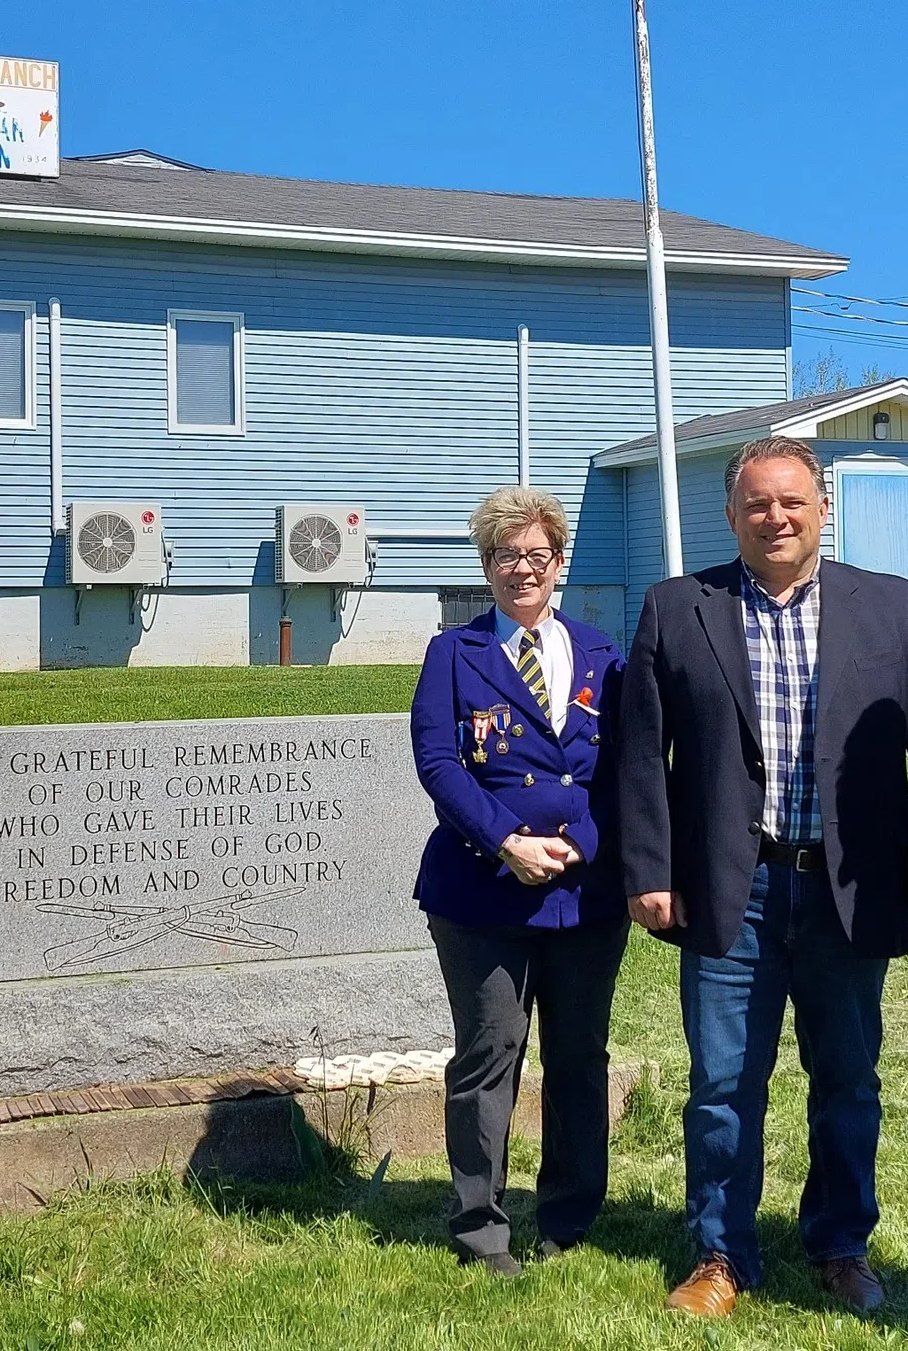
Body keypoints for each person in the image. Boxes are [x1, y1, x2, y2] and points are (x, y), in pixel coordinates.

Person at [617, 436, 908, 1318]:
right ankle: (721, 1255)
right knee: (723, 1083)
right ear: (732, 516)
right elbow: (642, 755)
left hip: (851, 888)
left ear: (822, 508)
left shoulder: (892, 607)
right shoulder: (677, 607)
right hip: (737, 890)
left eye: (793, 501)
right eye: (758, 504)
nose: (776, 517)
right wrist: (650, 868)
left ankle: (841, 1246)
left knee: (848, 1079)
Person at [409, 485, 628, 1279]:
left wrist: (587, 843)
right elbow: (438, 762)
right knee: (488, 1055)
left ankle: (568, 1218)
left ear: (559, 562)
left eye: (537, 555)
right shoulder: (454, 654)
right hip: (482, 894)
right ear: (486, 567)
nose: (522, 570)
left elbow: (625, 767)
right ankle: (481, 1229)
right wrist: (506, 841)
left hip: (585, 894)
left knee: (579, 1057)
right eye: (506, 556)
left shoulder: (603, 653)